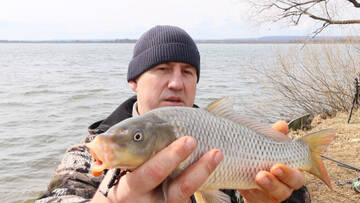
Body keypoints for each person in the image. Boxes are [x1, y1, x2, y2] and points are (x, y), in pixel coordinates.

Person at [36, 25, 310, 203]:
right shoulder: (88, 156)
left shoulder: (222, 137)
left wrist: (288, 197)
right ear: (134, 80)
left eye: (187, 72)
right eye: (162, 69)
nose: (177, 83)